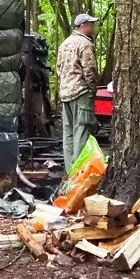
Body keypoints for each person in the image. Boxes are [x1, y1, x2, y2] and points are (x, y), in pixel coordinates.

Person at [56, 13, 100, 171]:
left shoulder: (64, 43)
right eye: (90, 24)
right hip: (80, 92)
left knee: (68, 134)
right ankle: (80, 173)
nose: (93, 27)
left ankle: (70, 172)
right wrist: (92, 90)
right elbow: (90, 70)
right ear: (83, 26)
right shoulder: (84, 44)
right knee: (81, 131)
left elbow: (59, 70)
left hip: (65, 94)